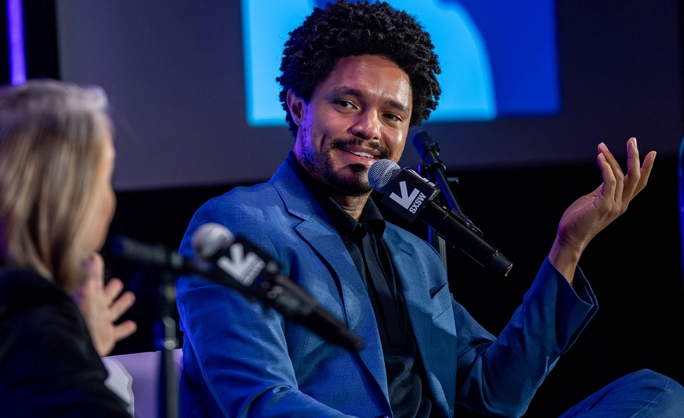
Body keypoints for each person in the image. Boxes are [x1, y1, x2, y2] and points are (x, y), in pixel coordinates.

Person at [175, 1, 684, 417]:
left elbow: (497, 393)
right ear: (297, 106)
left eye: (392, 114)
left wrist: (569, 246)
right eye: (348, 103)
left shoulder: (411, 255)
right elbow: (262, 402)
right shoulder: (240, 223)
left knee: (658, 393)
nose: (370, 129)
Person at [0, 79, 137, 417]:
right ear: (68, 197)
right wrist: (72, 347)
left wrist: (81, 347)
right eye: (105, 178)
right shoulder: (35, 329)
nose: (110, 199)